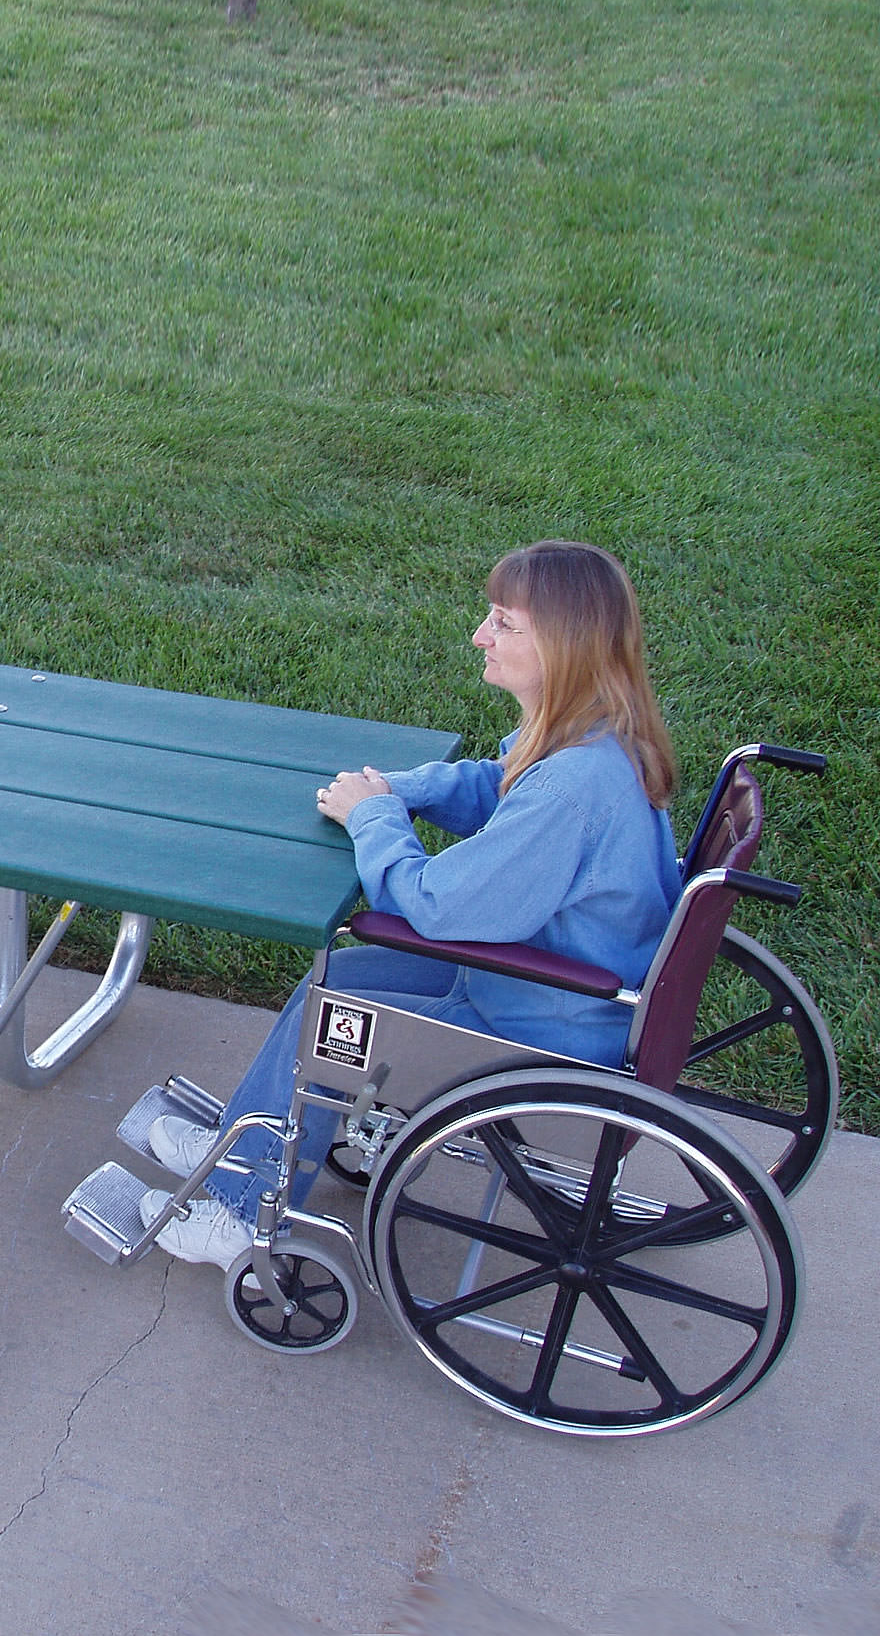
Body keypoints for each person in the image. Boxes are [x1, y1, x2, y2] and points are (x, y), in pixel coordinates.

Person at [142, 540, 682, 1264]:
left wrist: (374, 818)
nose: (480, 636)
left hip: (540, 1032)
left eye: (504, 623)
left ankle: (241, 1216)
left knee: (332, 1020)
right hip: (549, 990)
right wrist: (399, 789)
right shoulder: (592, 738)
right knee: (336, 981)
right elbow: (496, 785)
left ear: (563, 646)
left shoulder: (571, 789)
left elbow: (434, 905)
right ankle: (249, 1146)